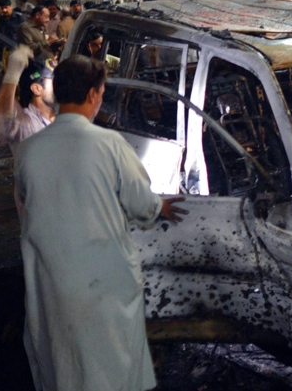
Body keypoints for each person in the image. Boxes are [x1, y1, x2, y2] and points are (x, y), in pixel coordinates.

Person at [14, 55, 187, 390]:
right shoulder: (110, 143)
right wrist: (160, 206)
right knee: (113, 365)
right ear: (94, 95)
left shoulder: (28, 151)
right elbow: (140, 203)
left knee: (66, 363)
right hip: (105, 279)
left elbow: (28, 197)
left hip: (51, 280)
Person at [0, 46, 54, 155]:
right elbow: (3, 122)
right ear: (37, 88)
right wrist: (12, 75)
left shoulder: (61, 115)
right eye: (54, 81)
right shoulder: (27, 125)